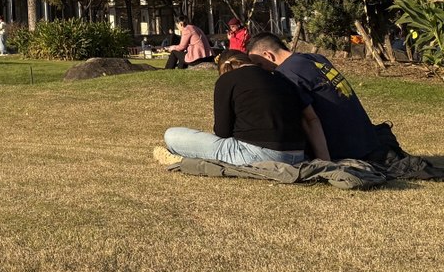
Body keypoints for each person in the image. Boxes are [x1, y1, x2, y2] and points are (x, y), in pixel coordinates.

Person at [160, 51, 329, 167]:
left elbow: (222, 132)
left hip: (257, 154)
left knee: (171, 135)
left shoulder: (226, 80)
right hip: (298, 154)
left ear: (224, 69)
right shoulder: (281, 78)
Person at [247, 33, 384, 161]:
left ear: (268, 55)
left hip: (344, 151)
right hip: (368, 140)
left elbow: (310, 120)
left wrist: (325, 163)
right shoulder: (316, 58)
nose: (261, 70)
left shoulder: (285, 74)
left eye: (259, 64)